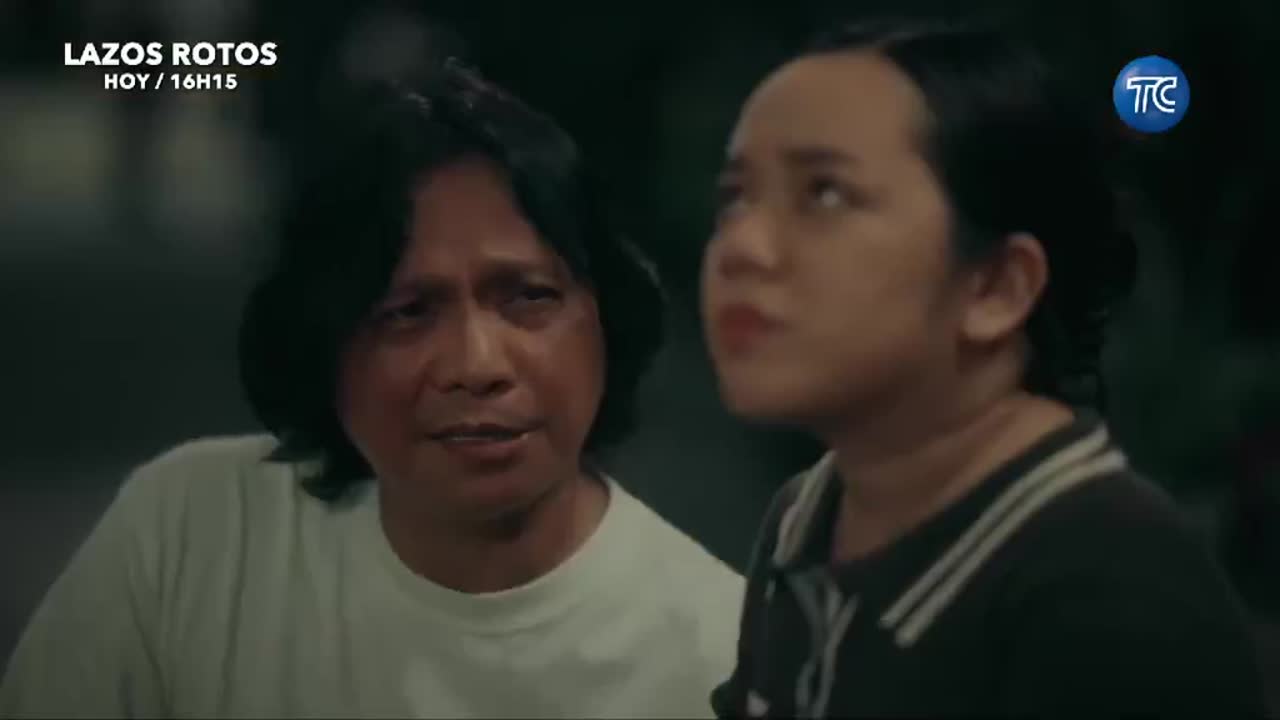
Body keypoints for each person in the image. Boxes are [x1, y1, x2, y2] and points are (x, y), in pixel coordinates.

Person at [1, 59, 743, 718]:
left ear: (606, 320)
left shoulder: (721, 658)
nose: (477, 363)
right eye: (409, 312)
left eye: (528, 297)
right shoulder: (191, 538)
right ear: (325, 347)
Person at [701, 18, 1268, 717]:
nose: (742, 246)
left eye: (825, 193)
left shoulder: (1115, 596)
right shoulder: (803, 520)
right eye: (735, 197)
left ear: (997, 286)